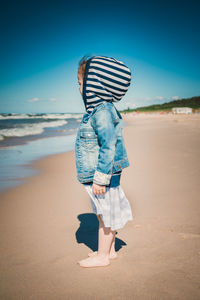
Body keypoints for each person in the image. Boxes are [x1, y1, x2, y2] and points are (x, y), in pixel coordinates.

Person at [75, 55, 133, 268]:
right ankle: (110, 251)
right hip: (105, 174)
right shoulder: (99, 111)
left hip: (103, 175)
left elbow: (108, 146)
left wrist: (100, 178)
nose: (79, 89)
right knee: (104, 213)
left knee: (106, 215)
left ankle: (103, 256)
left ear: (94, 84)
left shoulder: (102, 112)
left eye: (81, 84)